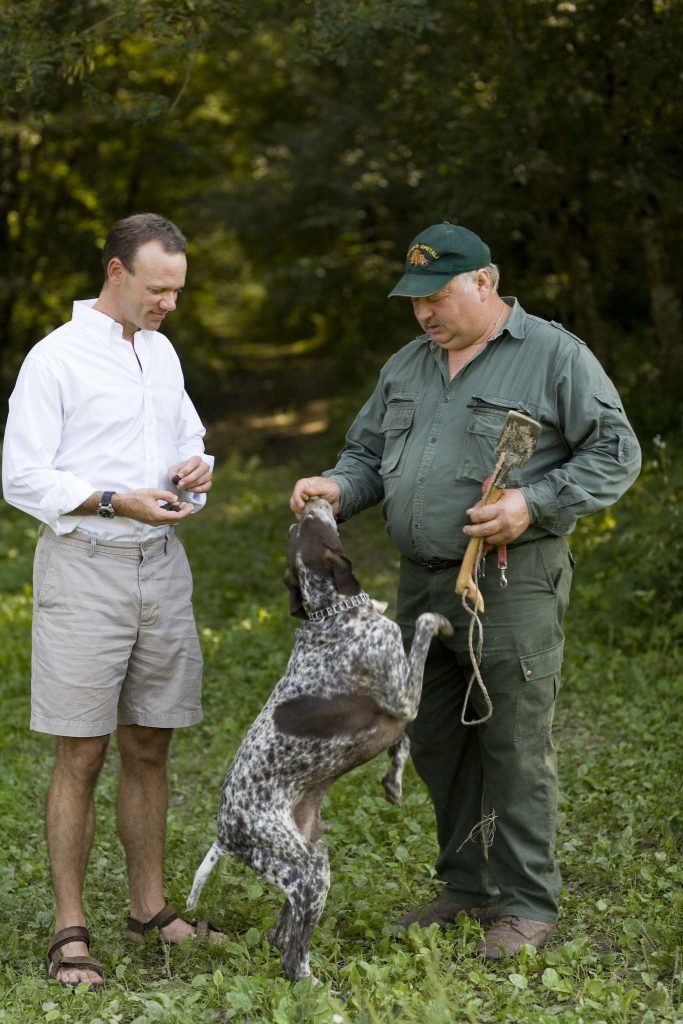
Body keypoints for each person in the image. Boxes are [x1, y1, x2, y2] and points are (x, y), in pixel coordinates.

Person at [290, 221, 641, 959]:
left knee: (513, 743)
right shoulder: (408, 366)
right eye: (413, 300)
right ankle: (467, 886)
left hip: (509, 584)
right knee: (437, 741)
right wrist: (335, 485)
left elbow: (615, 450)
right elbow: (366, 457)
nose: (424, 313)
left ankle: (525, 902)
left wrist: (532, 504)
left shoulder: (551, 355)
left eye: (437, 296)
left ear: (484, 282)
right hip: (422, 589)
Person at [2, 213, 223, 988]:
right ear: (116, 271)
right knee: (81, 751)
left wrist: (197, 469)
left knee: (151, 743)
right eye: (159, 289)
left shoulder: (161, 355)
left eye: (178, 291)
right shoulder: (53, 359)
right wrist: (109, 501)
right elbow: (21, 476)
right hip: (85, 567)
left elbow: (191, 443)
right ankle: (70, 931)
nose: (169, 304)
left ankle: (150, 909)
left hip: (160, 569)